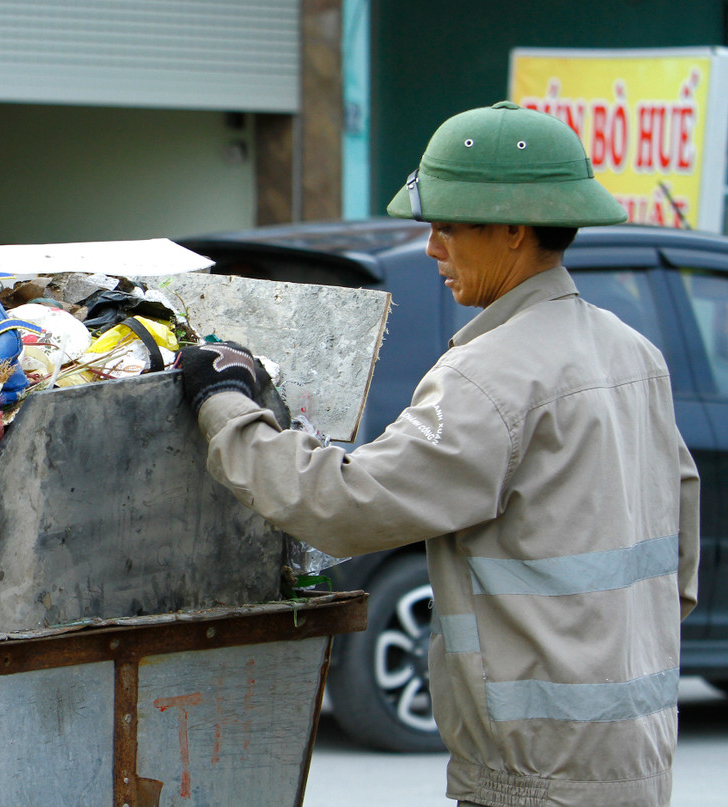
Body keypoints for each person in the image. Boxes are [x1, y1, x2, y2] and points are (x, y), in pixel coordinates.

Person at [178, 100, 700, 807]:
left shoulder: (491, 377)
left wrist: (225, 402)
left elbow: (339, 504)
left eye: (447, 227)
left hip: (538, 778)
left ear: (514, 231)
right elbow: (681, 564)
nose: (432, 248)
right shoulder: (635, 354)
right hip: (636, 761)